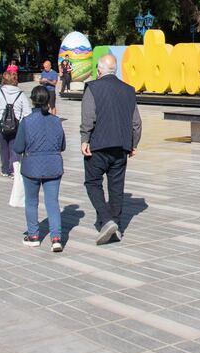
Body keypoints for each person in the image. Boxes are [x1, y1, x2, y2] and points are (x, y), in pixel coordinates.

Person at [80, 54, 142, 244]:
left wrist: (84, 139)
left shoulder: (93, 88)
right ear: (115, 70)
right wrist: (133, 143)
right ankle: (116, 225)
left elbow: (88, 117)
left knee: (92, 183)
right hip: (120, 147)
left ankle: (106, 220)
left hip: (97, 146)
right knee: (116, 187)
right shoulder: (128, 90)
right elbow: (136, 123)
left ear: (99, 70)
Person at [14, 85, 66, 252]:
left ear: (33, 101)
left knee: (31, 201)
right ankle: (56, 238)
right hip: (53, 165)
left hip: (32, 167)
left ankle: (34, 235)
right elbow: (63, 145)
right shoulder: (57, 121)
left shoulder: (27, 122)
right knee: (52, 202)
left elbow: (18, 147)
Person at [0, 71, 31, 177]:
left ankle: (5, 169)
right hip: (17, 126)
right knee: (14, 147)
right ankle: (13, 169)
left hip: (1, 125)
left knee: (3, 148)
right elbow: (28, 112)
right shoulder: (21, 94)